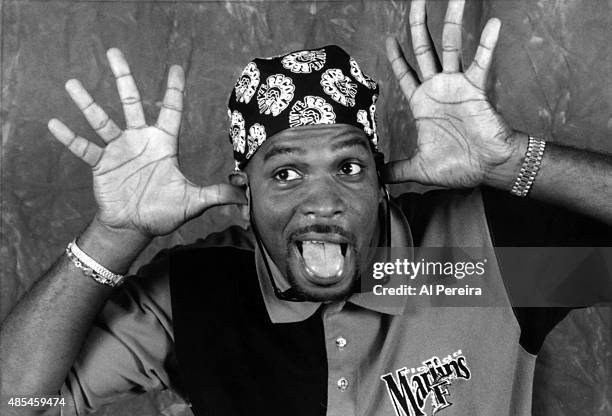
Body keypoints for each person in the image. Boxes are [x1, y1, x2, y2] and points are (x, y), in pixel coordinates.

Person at [0, 1, 610, 415]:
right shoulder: (194, 296)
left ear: (379, 181)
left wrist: (514, 160)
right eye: (287, 172)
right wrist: (114, 234)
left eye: (348, 167)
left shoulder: (482, 260)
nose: (323, 201)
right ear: (245, 192)